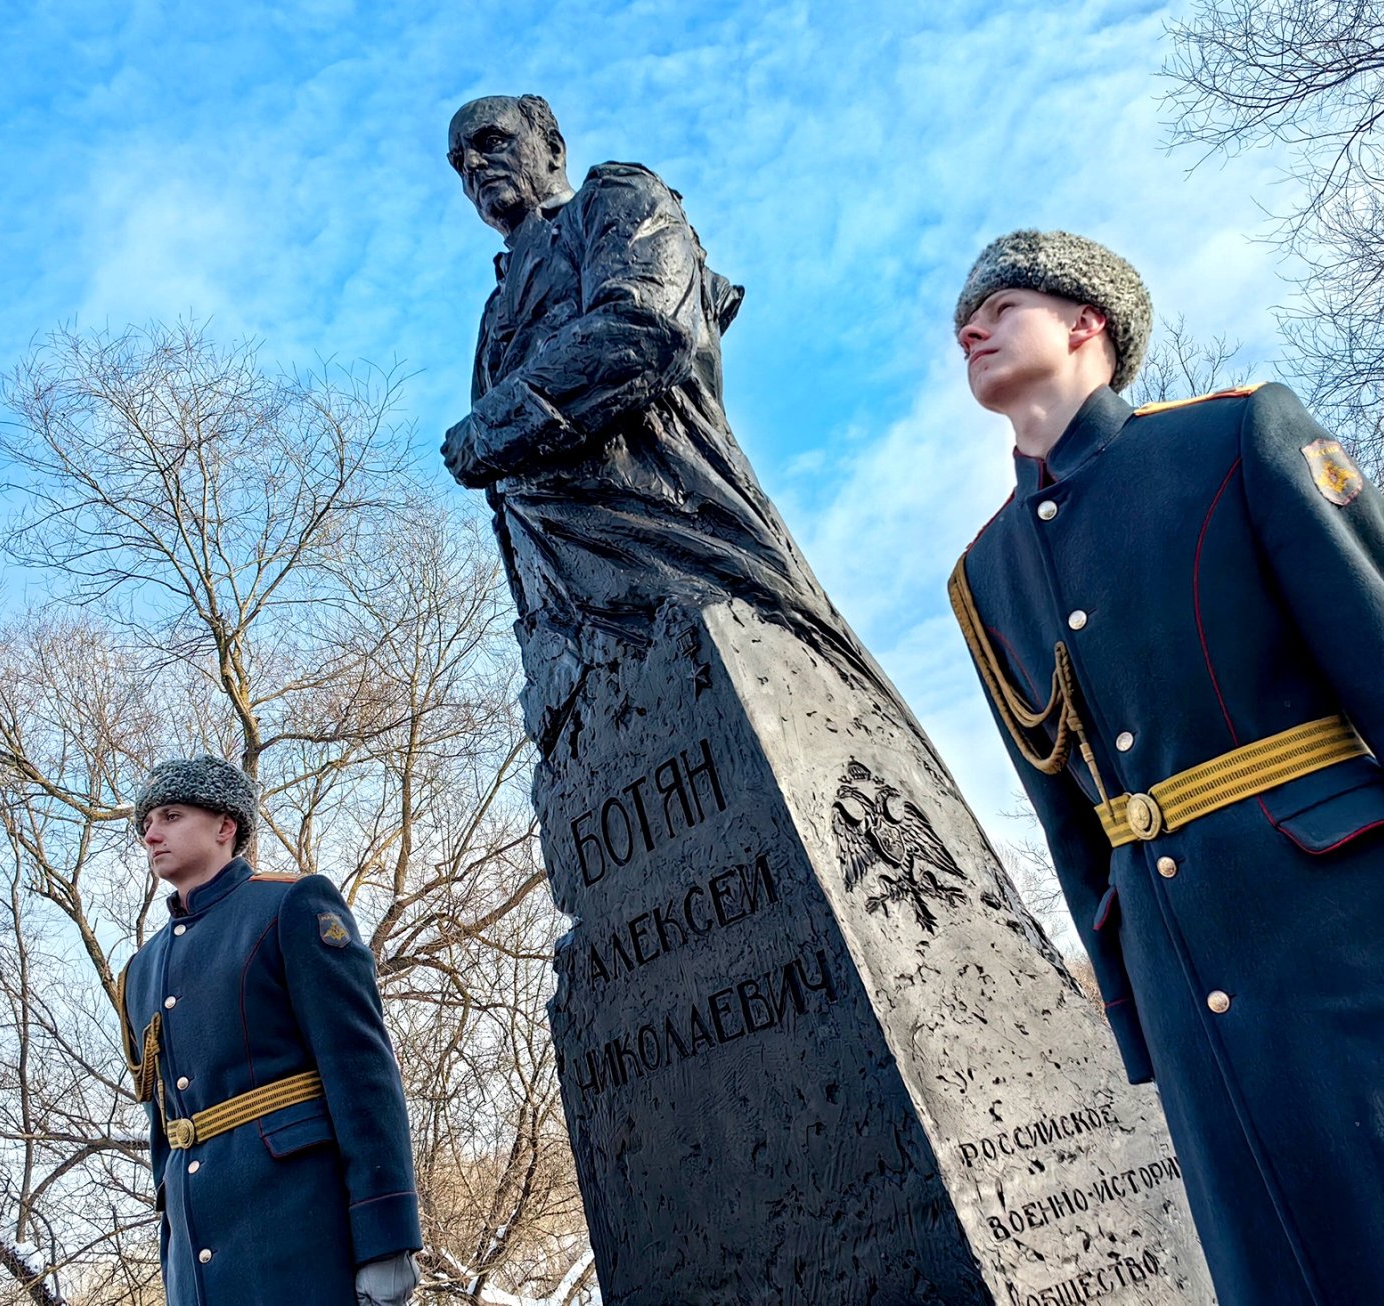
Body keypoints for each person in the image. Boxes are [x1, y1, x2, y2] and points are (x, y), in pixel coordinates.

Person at [946, 230, 1384, 1304]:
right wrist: (1136, 1014)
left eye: (1000, 304)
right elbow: (1071, 823)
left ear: (1086, 321)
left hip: (1362, 935)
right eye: (964, 321)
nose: (972, 328)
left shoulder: (1235, 439)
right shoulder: (983, 574)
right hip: (1190, 983)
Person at [440, 94, 891, 748]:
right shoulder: (493, 312)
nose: (474, 166)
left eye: (491, 141)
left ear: (553, 148)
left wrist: (486, 429)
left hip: (682, 549)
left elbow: (644, 329)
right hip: (573, 628)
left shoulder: (615, 200)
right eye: (460, 162)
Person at [115, 756, 421, 1305]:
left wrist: (387, 1237)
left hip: (300, 1229)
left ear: (225, 826)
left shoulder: (289, 904)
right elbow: (167, 1128)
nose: (151, 835)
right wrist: (174, 1262)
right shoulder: (141, 970)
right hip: (199, 1259)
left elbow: (361, 1071)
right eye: (145, 825)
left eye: (170, 815)